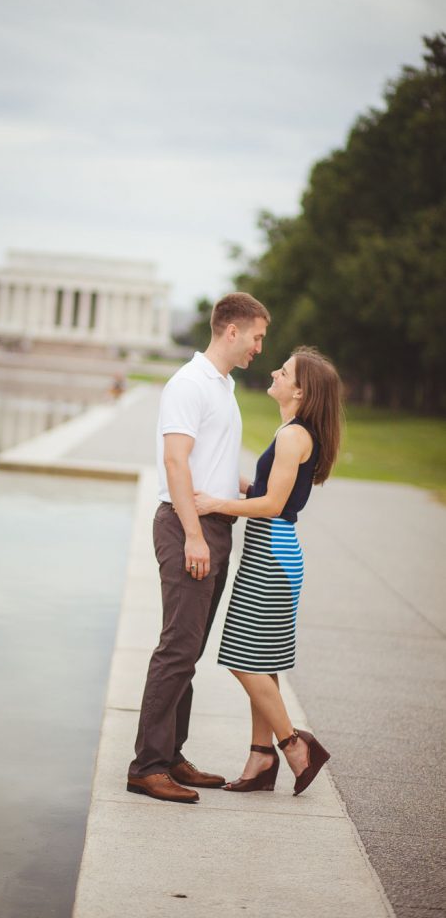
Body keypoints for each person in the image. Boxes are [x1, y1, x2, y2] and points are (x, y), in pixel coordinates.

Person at [126, 292, 270, 803]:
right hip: (189, 527)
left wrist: (237, 486)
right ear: (231, 330)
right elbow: (175, 463)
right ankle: (146, 766)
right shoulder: (189, 383)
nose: (259, 348)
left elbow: (204, 458)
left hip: (213, 524)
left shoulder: (222, 385)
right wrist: (191, 534)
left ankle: (170, 755)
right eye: (256, 337)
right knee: (178, 648)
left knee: (190, 650)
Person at [194, 346, 342, 795]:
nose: (275, 372)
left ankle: (295, 746)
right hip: (274, 555)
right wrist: (230, 482)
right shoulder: (293, 431)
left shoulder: (295, 436)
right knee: (265, 661)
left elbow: (273, 506)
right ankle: (260, 760)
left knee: (242, 659)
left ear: (300, 390)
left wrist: (217, 504)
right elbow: (271, 490)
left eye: (285, 371)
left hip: (271, 559)